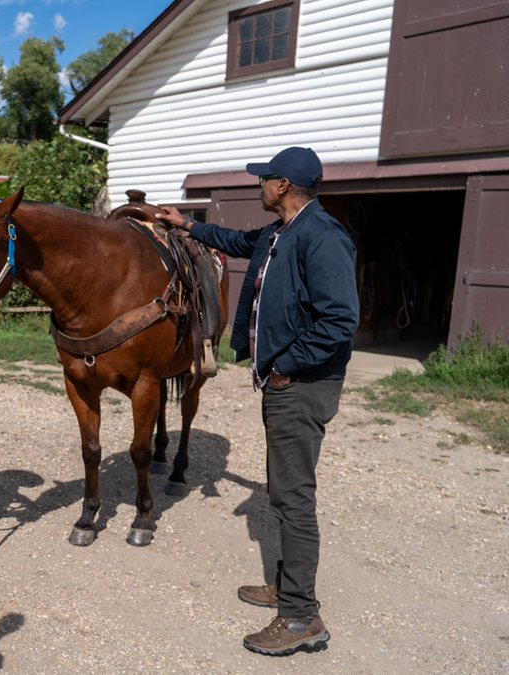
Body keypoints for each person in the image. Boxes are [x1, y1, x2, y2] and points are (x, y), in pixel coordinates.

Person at [156, 147, 359, 656]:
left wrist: (286, 367)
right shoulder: (280, 232)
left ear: (284, 185)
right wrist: (187, 225)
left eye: (265, 178)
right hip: (284, 381)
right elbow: (237, 241)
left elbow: (339, 321)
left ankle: (299, 617)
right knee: (282, 491)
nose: (259, 185)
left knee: (294, 498)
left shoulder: (323, 237)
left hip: (302, 384)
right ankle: (287, 588)